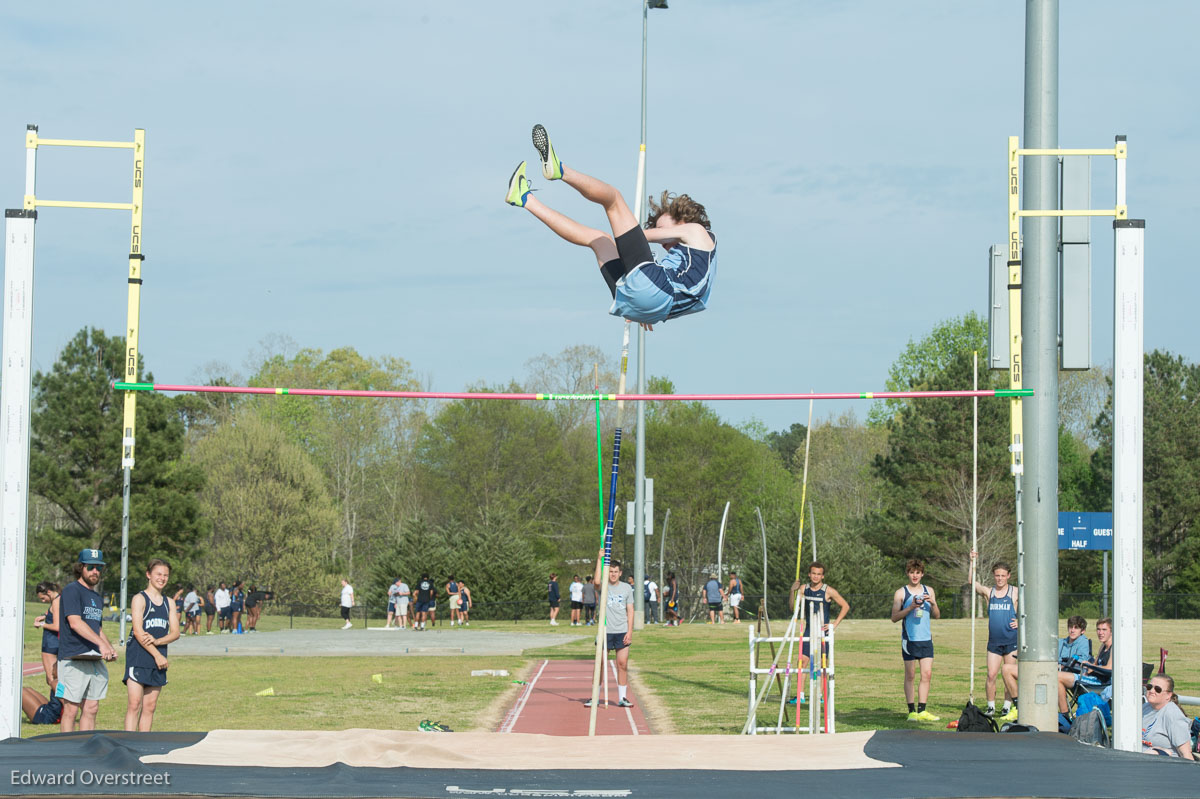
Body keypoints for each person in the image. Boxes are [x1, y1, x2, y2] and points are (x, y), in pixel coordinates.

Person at [507, 124, 716, 330]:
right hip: (648, 305)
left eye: (664, 230)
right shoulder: (696, 264)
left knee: (614, 200)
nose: (664, 244)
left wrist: (627, 236)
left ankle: (559, 170)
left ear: (681, 221)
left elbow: (643, 236)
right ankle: (525, 198)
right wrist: (645, 305)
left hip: (656, 293)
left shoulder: (697, 231)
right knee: (598, 239)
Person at [58, 548, 118, 733]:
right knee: (71, 709)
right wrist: (101, 644)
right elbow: (75, 623)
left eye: (99, 568)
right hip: (72, 658)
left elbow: (96, 628)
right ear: (81, 567)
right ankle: (67, 754)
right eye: (91, 567)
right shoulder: (71, 590)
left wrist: (108, 647)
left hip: (93, 658)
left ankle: (86, 752)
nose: (95, 572)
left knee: (91, 708)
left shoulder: (96, 597)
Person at [124, 558, 180, 731]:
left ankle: (144, 744)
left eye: (165, 575)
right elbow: (139, 632)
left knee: (150, 706)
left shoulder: (168, 602)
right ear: (148, 575)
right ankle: (129, 744)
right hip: (139, 657)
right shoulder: (139, 599)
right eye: (158, 574)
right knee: (134, 704)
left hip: (159, 660)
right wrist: (156, 654)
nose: (162, 578)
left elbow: (175, 633)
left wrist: (158, 642)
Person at [787, 561, 850, 704]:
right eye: (813, 574)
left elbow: (845, 606)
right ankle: (800, 695)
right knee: (801, 662)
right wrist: (793, 591)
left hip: (823, 632)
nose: (816, 577)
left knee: (823, 664)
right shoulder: (804, 589)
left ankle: (820, 696)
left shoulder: (829, 591)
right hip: (809, 630)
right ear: (809, 574)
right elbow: (793, 608)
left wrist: (834, 624)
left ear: (822, 576)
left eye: (819, 574)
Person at [891, 558, 941, 722]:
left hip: (926, 639)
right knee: (911, 675)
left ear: (922, 574)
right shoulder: (901, 593)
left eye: (918, 573)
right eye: (912, 572)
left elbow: (937, 615)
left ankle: (922, 710)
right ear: (907, 573)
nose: (915, 576)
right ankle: (911, 710)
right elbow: (894, 617)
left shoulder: (929, 590)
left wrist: (933, 603)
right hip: (909, 640)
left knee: (927, 674)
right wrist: (911, 607)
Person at [585, 550, 636, 708]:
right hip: (604, 631)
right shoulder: (603, 586)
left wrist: (629, 631)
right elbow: (597, 581)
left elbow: (630, 610)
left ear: (620, 573)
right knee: (600, 664)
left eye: (616, 572)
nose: (613, 574)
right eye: (611, 571)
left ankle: (622, 697)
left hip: (621, 630)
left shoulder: (627, 588)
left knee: (622, 663)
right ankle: (595, 697)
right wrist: (600, 560)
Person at [972, 559, 1019, 721]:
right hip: (994, 642)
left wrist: (1020, 620)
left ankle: (1007, 706)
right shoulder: (989, 592)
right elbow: (972, 583)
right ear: (994, 576)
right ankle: (991, 706)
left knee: (1008, 675)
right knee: (991, 675)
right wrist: (973, 561)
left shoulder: (1015, 592)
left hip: (1011, 640)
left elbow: (1031, 608)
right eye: (997, 575)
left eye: (1003, 576)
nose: (1000, 579)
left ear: (1008, 576)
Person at [1058, 617, 1114, 714]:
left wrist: (1090, 666)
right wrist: (1087, 668)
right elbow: (1094, 666)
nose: (1100, 633)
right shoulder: (1103, 646)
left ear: (1112, 631)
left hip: (1102, 683)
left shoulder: (1115, 647)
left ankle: (1065, 715)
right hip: (1093, 678)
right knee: (1056, 676)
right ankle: (1064, 714)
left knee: (1057, 676)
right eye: (1098, 629)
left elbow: (1109, 669)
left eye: (1104, 630)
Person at [1142, 674, 1195, 759]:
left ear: (1168, 695)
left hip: (1165, 765)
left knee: (1152, 753)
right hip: (1140, 759)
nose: (1151, 691)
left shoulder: (1173, 715)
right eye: (1149, 686)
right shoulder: (1145, 707)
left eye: (1157, 689)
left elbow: (1186, 753)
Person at [33, 581, 61, 689]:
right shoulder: (59, 598)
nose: (43, 601)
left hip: (50, 645)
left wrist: (41, 624)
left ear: (49, 592)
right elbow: (54, 612)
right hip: (57, 643)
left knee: (52, 680)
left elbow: (56, 626)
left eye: (43, 598)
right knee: (55, 678)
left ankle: (63, 705)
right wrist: (45, 615)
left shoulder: (55, 602)